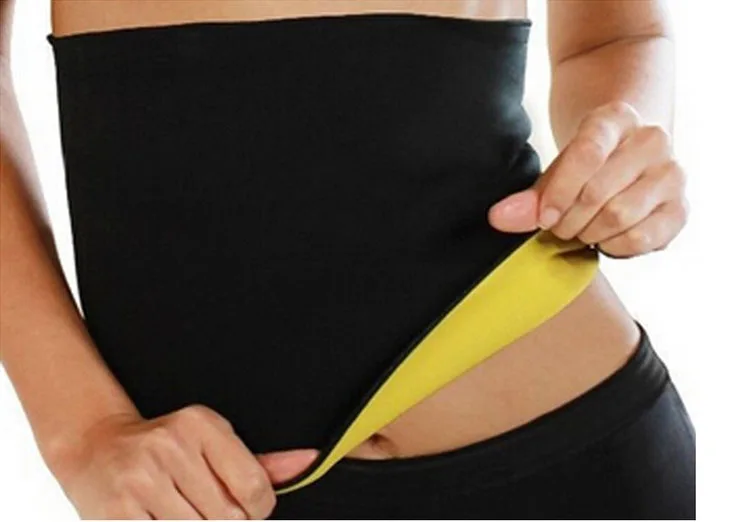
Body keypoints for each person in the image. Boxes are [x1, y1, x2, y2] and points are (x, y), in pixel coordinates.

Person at [0, 0, 695, 519]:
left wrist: (623, 142)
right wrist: (81, 430)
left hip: (568, 459)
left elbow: (617, 32)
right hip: (207, 497)